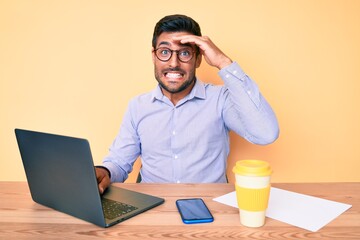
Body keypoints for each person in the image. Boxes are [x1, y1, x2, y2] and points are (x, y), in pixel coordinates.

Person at [96, 14, 279, 193]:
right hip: (153, 207)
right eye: (165, 52)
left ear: (198, 58)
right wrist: (104, 172)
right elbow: (119, 162)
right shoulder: (138, 106)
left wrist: (224, 63)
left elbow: (265, 134)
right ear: (154, 56)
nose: (173, 63)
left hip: (209, 207)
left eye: (184, 53)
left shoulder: (220, 99)